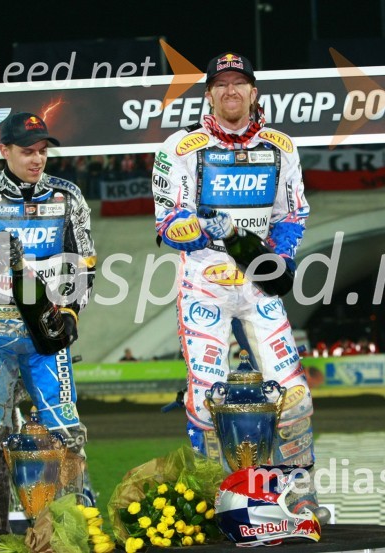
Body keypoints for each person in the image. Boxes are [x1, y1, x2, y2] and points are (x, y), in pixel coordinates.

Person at [152, 52, 316, 490]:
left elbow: (293, 213)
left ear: (253, 92)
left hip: (258, 287)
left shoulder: (282, 146)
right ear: (209, 94)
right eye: (221, 84)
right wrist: (205, 228)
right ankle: (213, 496)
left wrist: (277, 259)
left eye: (238, 83)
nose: (230, 91)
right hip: (205, 285)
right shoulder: (180, 147)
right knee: (208, 399)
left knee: (295, 398)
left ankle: (297, 498)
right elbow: (167, 225)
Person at [0, 112, 96, 552]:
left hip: (46, 331)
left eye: (42, 150)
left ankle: (69, 535)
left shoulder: (68, 195)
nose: (37, 159)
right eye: (27, 150)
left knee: (68, 433)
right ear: (4, 150)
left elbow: (83, 263)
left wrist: (70, 314)